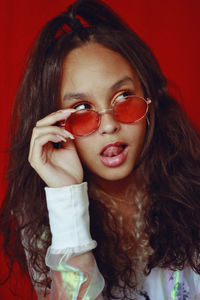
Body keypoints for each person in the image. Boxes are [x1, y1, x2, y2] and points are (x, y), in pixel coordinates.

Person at [1, 0, 200, 299]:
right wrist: (67, 197)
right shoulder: (45, 222)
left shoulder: (193, 184)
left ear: (150, 100)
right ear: (57, 123)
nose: (108, 125)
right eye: (81, 108)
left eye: (123, 96)